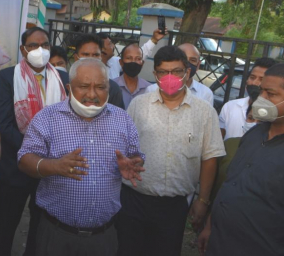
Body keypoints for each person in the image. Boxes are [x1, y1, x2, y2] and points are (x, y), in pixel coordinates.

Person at [17, 58, 145, 256]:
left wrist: (133, 163)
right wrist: (54, 166)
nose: (92, 94)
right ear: (69, 87)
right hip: (57, 234)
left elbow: (136, 155)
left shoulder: (122, 119)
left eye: (101, 87)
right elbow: (24, 160)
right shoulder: (47, 118)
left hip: (104, 236)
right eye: (84, 86)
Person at [117, 45, 225, 256]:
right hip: (134, 199)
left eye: (176, 71)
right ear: (155, 74)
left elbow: (210, 158)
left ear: (187, 72)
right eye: (163, 72)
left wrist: (202, 201)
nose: (170, 77)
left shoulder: (204, 112)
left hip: (174, 206)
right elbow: (122, 146)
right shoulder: (139, 105)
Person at [0, 27, 68, 256]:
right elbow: (3, 123)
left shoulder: (62, 77)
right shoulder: (8, 77)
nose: (40, 50)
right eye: (33, 46)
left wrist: (49, 154)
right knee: (7, 221)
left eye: (44, 45)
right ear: (23, 50)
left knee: (40, 222)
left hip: (49, 166)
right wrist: (32, 150)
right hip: (16, 164)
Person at [200, 63, 284, 256]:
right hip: (219, 242)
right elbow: (231, 183)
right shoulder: (254, 135)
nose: (261, 98)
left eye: (270, 94)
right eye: (262, 91)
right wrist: (210, 226)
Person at [219, 57, 277, 140]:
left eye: (262, 79)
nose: (254, 83)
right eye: (252, 77)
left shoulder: (276, 115)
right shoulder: (230, 107)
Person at [146, 43, 213, 105]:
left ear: (198, 65)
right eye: (184, 59)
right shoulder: (152, 90)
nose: (187, 64)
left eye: (192, 60)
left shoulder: (205, 93)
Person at [73, 34, 125, 109]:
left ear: (100, 57)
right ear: (76, 57)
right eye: (86, 54)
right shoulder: (66, 82)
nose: (90, 59)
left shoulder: (113, 89)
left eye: (95, 55)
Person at [113, 43, 151, 109]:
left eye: (138, 59)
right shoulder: (111, 87)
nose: (133, 62)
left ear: (142, 64)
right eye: (128, 58)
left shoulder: (149, 89)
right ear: (121, 62)